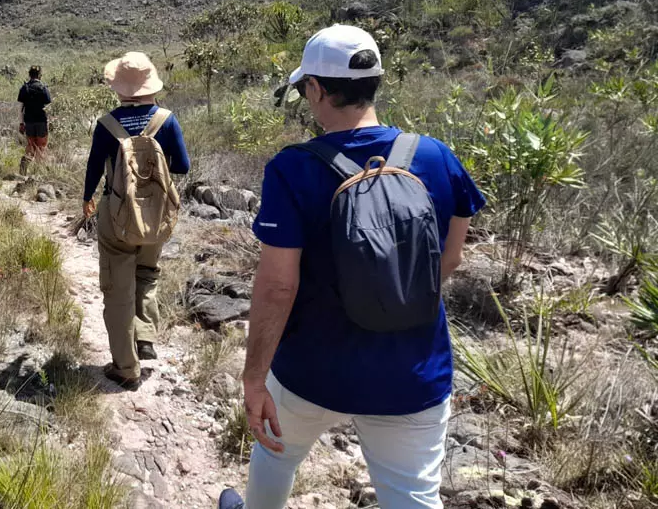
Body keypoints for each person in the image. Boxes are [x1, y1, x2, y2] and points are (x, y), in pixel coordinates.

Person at [220, 25, 485, 509]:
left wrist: (254, 378)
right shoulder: (436, 156)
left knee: (277, 455)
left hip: (312, 369)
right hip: (412, 369)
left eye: (304, 89)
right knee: (413, 494)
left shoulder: (293, 167)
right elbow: (450, 260)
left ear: (317, 88)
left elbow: (279, 285)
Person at [83, 52, 190, 389]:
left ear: (120, 88)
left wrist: (87, 199)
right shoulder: (167, 120)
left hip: (116, 217)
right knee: (147, 272)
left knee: (118, 289)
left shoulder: (106, 124)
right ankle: (145, 337)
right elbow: (182, 167)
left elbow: (93, 170)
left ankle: (125, 368)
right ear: (150, 86)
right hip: (156, 218)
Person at [17, 65, 52, 177]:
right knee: (41, 147)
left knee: (31, 146)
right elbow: (49, 107)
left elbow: (21, 108)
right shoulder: (43, 88)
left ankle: (24, 168)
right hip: (41, 122)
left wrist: (21, 123)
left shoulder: (24, 88)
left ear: (29, 74)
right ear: (39, 75)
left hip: (29, 122)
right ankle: (38, 173)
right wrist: (51, 122)